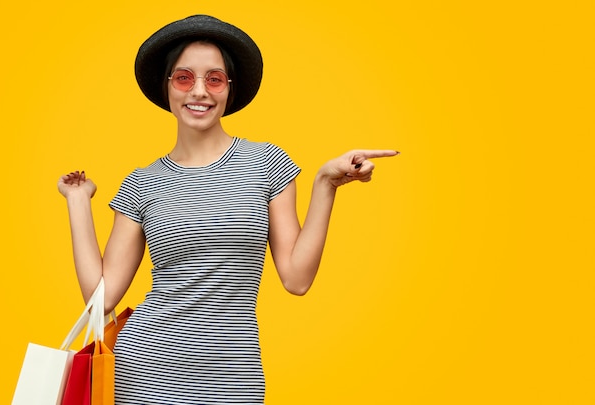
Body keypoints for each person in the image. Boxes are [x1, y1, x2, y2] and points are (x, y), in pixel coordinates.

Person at [58, 14, 398, 405]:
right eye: (184, 78)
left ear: (228, 89)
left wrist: (326, 184)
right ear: (167, 87)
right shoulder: (141, 183)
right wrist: (78, 201)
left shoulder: (266, 163)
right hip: (146, 372)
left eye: (214, 79)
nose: (199, 91)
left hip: (234, 375)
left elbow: (297, 279)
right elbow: (101, 299)